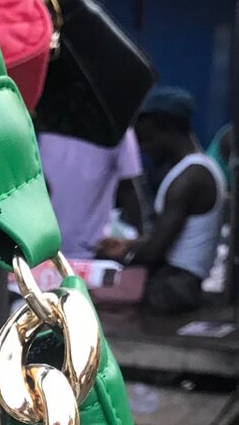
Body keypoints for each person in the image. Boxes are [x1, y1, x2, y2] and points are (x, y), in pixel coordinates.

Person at [99, 86, 227, 315]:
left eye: (147, 139)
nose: (144, 150)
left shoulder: (191, 177)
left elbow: (154, 252)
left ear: (167, 127)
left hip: (174, 287)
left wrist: (115, 257)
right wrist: (129, 245)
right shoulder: (197, 169)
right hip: (176, 283)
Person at [38, 129, 145, 259]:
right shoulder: (38, 123)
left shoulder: (119, 126)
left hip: (91, 251)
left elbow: (128, 188)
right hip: (40, 250)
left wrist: (142, 242)